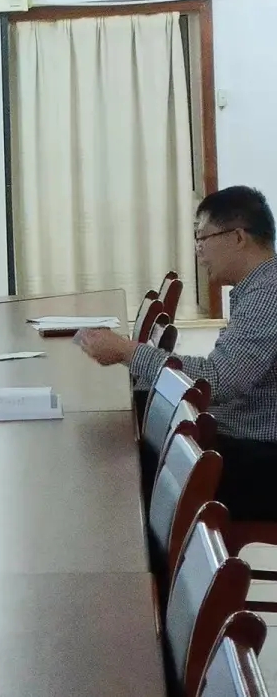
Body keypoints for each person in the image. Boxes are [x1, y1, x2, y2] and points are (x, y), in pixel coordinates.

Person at [78, 185, 277, 519]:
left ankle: (144, 554)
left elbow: (217, 381)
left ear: (238, 237)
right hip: (243, 435)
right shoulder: (258, 287)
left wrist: (128, 352)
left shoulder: (266, 294)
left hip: (262, 457)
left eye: (202, 238)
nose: (199, 252)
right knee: (131, 431)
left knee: (129, 467)